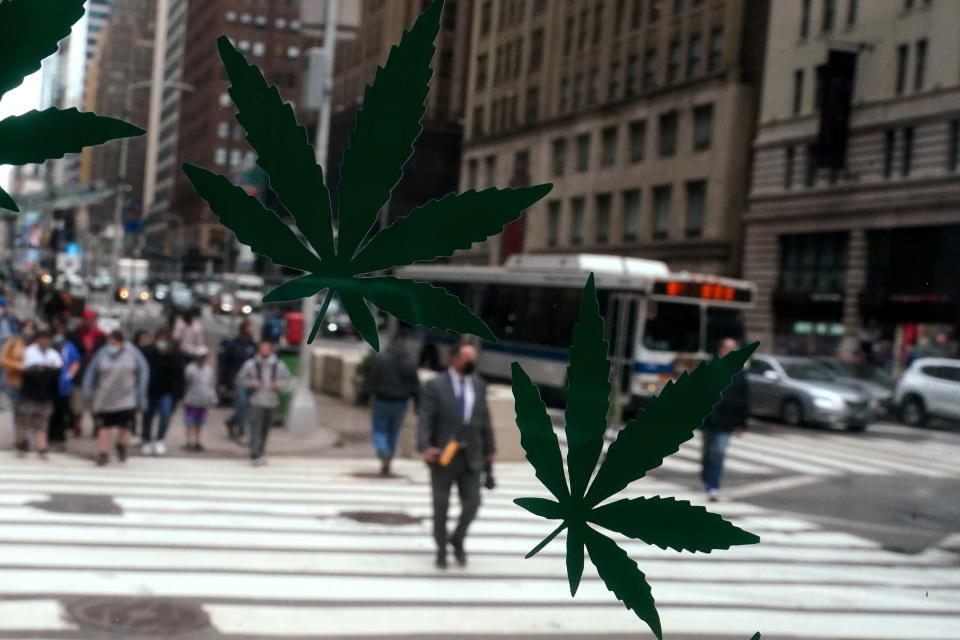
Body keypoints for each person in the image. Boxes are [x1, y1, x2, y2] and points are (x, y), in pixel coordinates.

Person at [417, 344, 495, 569]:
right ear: (455, 359)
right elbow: (425, 418)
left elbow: (485, 421)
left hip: (471, 456)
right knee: (441, 506)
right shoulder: (435, 385)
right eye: (467, 357)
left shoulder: (479, 386)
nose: (472, 361)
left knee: (473, 504)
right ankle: (441, 548)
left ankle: (457, 539)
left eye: (474, 357)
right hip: (443, 456)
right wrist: (425, 446)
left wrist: (490, 451)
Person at [82, 330, 150, 466]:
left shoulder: (133, 354)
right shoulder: (101, 354)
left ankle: (121, 444)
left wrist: (141, 396)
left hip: (127, 398)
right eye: (110, 342)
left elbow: (143, 372)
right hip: (105, 397)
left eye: (115, 343)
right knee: (104, 426)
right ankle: (103, 452)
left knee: (124, 426)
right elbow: (91, 373)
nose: (111, 346)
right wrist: (87, 393)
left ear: (122, 343)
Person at [699, 338, 750, 502]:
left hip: (727, 421)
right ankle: (706, 476)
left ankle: (713, 486)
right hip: (709, 419)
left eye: (733, 349)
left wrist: (742, 423)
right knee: (708, 452)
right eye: (727, 348)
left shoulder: (740, 373)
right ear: (720, 350)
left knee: (719, 452)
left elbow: (745, 399)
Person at [364, 340, 420, 476]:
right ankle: (390, 455)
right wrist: (418, 403)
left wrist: (365, 395)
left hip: (382, 399)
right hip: (401, 402)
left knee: (379, 429)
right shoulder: (409, 363)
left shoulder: (381, 359)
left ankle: (383, 451)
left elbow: (372, 378)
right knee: (394, 431)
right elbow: (415, 385)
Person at [237, 340, 290, 466]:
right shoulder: (251, 364)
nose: (264, 351)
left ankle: (261, 451)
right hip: (256, 401)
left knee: (265, 429)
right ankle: (254, 453)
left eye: (267, 349)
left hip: (272, 401)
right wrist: (251, 383)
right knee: (256, 428)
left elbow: (288, 381)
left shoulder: (278, 365)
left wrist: (279, 385)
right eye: (262, 349)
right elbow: (239, 380)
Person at [15, 329, 62, 459]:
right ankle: (21, 442)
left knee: (42, 423)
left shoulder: (53, 354)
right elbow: (27, 370)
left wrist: (43, 369)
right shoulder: (29, 351)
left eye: (47, 339)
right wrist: (44, 369)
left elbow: (57, 369)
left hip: (46, 394)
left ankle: (42, 447)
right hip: (30, 394)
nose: (45, 341)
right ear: (37, 340)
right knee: (25, 421)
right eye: (42, 339)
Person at [140, 329, 185, 455]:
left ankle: (160, 439)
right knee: (147, 416)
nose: (162, 343)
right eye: (160, 340)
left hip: (167, 392)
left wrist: (178, 394)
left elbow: (179, 376)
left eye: (165, 340)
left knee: (165, 415)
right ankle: (146, 439)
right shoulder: (148, 352)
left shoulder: (175, 355)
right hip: (149, 390)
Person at [218, 320, 257, 441]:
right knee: (241, 405)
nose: (253, 330)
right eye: (250, 327)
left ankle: (231, 421)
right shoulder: (234, 344)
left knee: (248, 407)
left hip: (251, 380)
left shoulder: (253, 345)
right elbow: (224, 364)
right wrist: (222, 382)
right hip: (237, 380)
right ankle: (242, 432)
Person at [48, 324, 81, 450]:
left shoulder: (69, 347)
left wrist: (70, 375)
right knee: (51, 410)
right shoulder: (50, 346)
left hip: (64, 382)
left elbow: (75, 362)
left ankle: (60, 435)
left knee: (62, 410)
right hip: (50, 382)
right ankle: (50, 435)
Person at [182, 346, 217, 452]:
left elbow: (211, 384)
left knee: (199, 422)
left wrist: (213, 397)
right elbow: (185, 384)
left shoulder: (209, 369)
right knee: (189, 421)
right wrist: (184, 396)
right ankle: (188, 441)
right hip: (191, 398)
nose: (201, 358)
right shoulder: (190, 368)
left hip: (203, 399)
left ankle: (197, 440)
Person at [1, 318, 34, 413]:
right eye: (27, 326)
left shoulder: (36, 344)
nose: (29, 330)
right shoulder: (13, 342)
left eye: (31, 327)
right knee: (17, 409)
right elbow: (3, 360)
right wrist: (19, 366)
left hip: (32, 383)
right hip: (15, 382)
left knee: (29, 411)